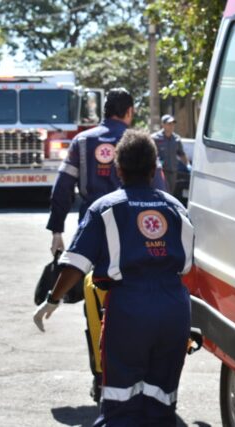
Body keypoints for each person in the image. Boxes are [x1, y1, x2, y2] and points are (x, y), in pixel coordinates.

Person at [34, 129, 193, 426]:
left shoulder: (105, 208)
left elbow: (76, 264)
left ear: (118, 169)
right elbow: (188, 266)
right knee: (163, 401)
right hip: (174, 309)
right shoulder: (176, 208)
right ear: (153, 170)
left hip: (129, 311)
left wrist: (52, 300)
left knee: (120, 403)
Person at [45, 88, 166, 401]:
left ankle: (101, 378)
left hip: (94, 235)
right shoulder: (141, 142)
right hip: (137, 234)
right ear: (129, 111)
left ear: (104, 110)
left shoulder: (82, 142)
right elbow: (161, 189)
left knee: (95, 305)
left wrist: (57, 229)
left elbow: (62, 187)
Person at [151, 114, 189, 194]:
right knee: (161, 192)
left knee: (171, 193)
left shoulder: (176, 139)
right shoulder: (155, 138)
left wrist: (188, 165)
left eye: (173, 124)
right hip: (161, 171)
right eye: (169, 124)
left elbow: (181, 154)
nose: (172, 126)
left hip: (173, 172)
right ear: (163, 124)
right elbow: (151, 154)